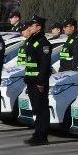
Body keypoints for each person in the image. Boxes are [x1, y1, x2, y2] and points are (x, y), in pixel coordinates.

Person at [20, 16, 53, 145]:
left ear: (39, 27)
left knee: (41, 109)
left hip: (38, 82)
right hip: (31, 80)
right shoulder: (32, 41)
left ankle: (42, 136)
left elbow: (44, 64)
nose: (29, 27)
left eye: (32, 26)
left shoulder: (43, 43)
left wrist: (41, 82)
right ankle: (37, 133)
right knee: (36, 109)